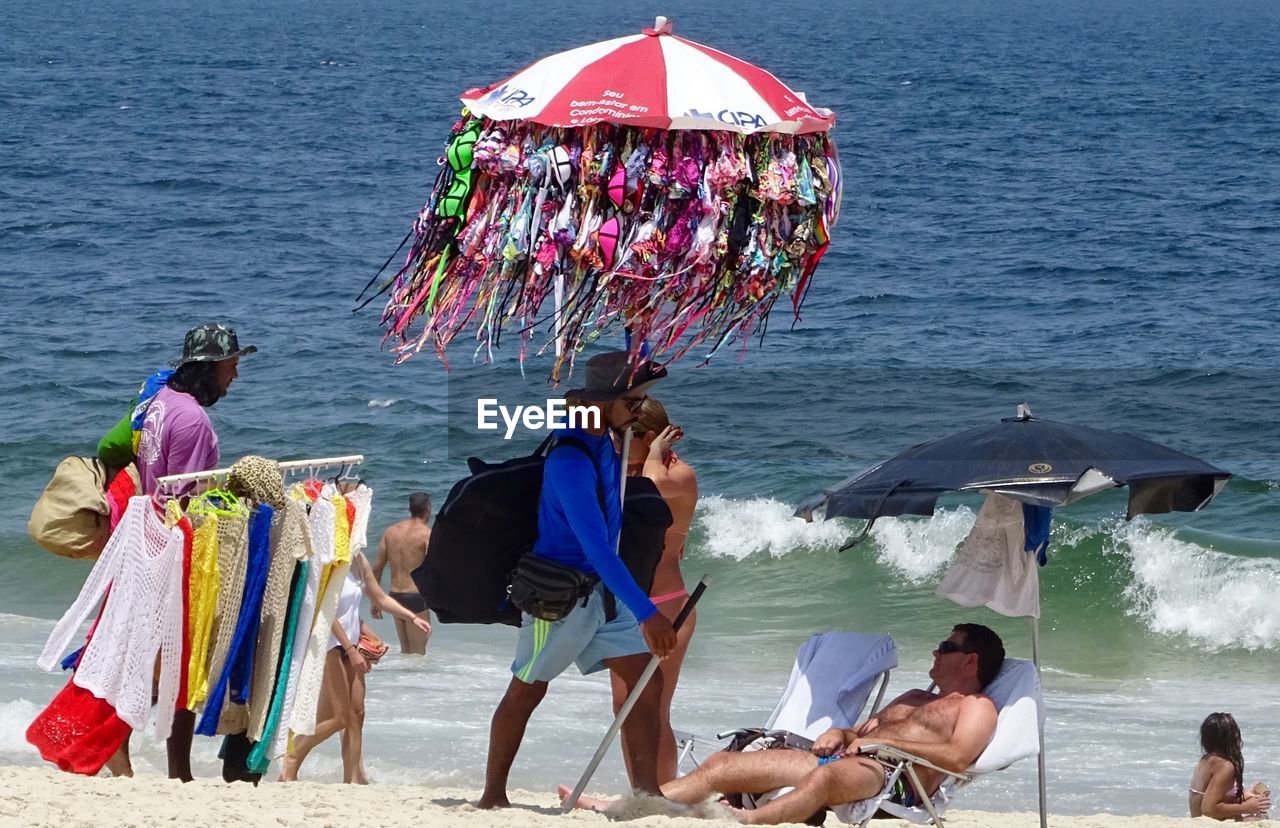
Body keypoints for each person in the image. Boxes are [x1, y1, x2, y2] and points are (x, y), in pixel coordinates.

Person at [478, 350, 678, 809]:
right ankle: (492, 796)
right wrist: (648, 613)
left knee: (646, 679)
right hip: (560, 595)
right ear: (605, 401)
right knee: (527, 689)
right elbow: (597, 548)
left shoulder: (608, 442)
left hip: (604, 591)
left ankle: (648, 794)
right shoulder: (568, 459)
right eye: (633, 400)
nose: (640, 408)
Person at [564, 624, 1005, 826]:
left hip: (892, 777)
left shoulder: (977, 707)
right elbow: (861, 732)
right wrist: (844, 733)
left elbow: (959, 758)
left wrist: (878, 742)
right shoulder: (915, 697)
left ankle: (748, 820)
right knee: (722, 764)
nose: (935, 652)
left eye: (946, 647)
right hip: (850, 758)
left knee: (827, 777)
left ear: (971, 660)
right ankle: (627, 807)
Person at [112, 322, 256, 781]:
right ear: (210, 369)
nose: (235, 376)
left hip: (147, 544)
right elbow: (185, 500)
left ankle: (144, 754)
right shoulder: (192, 418)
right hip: (175, 551)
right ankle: (171, 768)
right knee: (181, 663)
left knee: (157, 663)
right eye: (231, 366)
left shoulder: (159, 404)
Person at [279, 551, 431, 783]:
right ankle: (291, 758)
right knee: (340, 718)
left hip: (352, 645)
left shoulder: (358, 559)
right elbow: (324, 613)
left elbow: (379, 598)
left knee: (357, 714)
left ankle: (353, 778)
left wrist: (412, 617)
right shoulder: (328, 559)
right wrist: (350, 650)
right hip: (330, 646)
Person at [611, 397, 698, 784]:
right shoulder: (622, 471)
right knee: (626, 708)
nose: (615, 441)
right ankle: (641, 790)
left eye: (623, 434)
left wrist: (656, 452)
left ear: (649, 436)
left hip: (667, 605)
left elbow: (653, 488)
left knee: (655, 707)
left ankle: (662, 792)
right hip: (629, 604)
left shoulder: (678, 476)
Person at [370, 492, 433, 654]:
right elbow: (436, 569)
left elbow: (377, 568)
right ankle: (416, 680)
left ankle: (404, 680)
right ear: (428, 509)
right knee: (418, 654)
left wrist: (376, 601)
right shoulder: (427, 534)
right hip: (416, 598)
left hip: (394, 596)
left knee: (406, 651)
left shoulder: (390, 532)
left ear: (410, 509)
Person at [1189, 712, 1271, 821]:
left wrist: (1246, 795)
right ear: (1230, 738)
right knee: (1262, 819)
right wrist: (1247, 807)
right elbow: (1208, 809)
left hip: (1199, 821)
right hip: (1212, 823)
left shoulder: (1206, 760)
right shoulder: (1225, 766)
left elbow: (1213, 797)